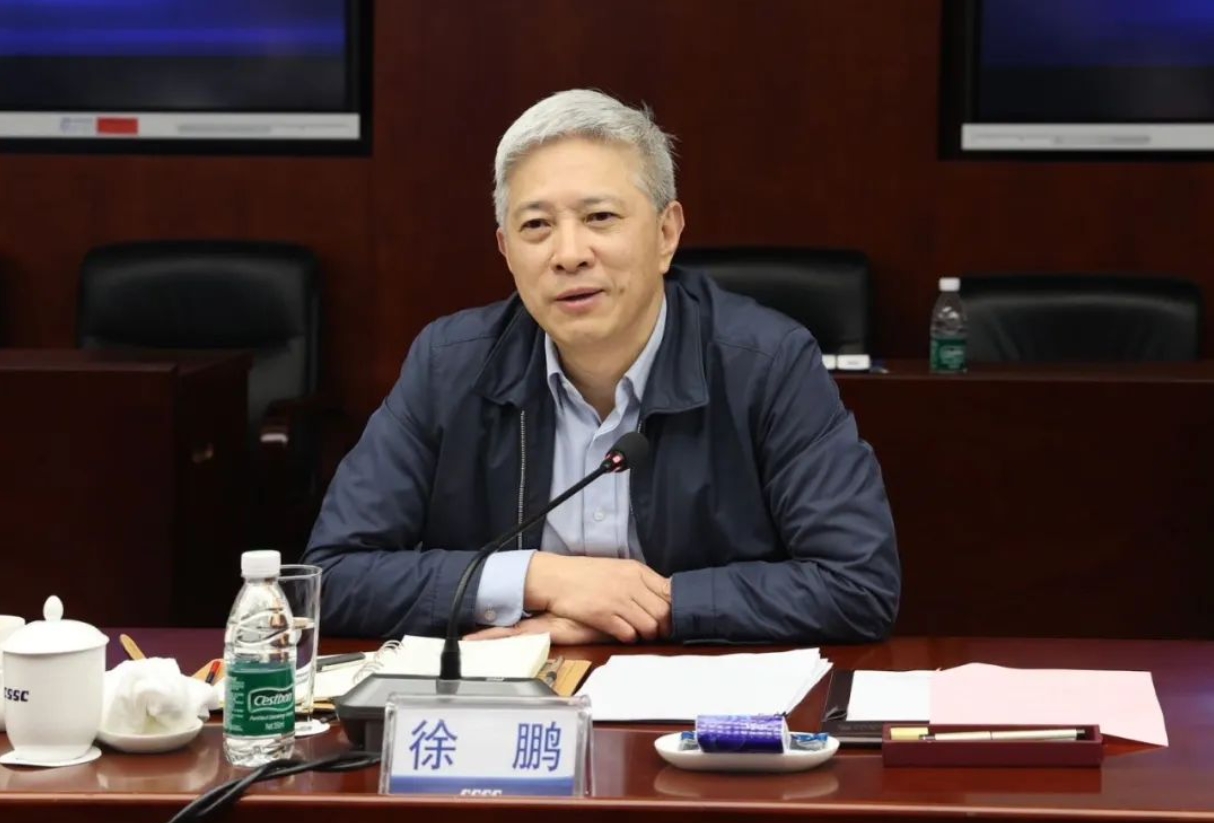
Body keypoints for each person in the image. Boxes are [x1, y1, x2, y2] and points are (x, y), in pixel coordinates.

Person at [303, 89, 900, 645]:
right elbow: (331, 578)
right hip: (511, 698)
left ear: (666, 233)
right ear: (506, 251)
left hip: (697, 700)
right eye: (536, 226)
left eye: (600, 218)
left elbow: (858, 585)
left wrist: (648, 609)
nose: (568, 255)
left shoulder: (767, 364)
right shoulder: (449, 365)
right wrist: (540, 579)